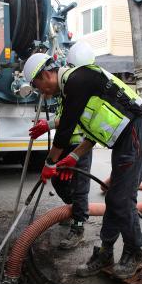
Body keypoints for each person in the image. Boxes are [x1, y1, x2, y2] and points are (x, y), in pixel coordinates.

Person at [23, 52, 142, 279]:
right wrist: (74, 157)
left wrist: (49, 163)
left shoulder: (77, 80)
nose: (41, 93)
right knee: (116, 197)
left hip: (137, 133)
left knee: (121, 198)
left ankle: (134, 252)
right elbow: (92, 132)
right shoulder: (74, 88)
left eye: (39, 86)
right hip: (125, 140)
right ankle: (105, 252)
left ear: (46, 75)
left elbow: (64, 132)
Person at [28, 42, 95, 249]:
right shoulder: (67, 87)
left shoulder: (83, 87)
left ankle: (78, 226)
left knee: (80, 186)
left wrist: (51, 159)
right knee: (58, 181)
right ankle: (72, 209)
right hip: (66, 142)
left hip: (81, 143)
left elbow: (74, 121)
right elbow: (64, 118)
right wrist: (47, 124)